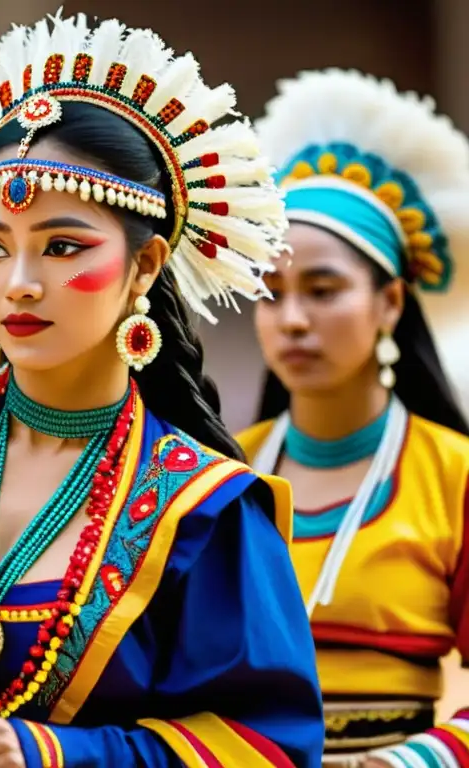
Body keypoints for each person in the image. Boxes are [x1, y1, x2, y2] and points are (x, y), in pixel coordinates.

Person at [0, 12, 324, 768]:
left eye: (63, 247)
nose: (20, 284)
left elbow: (267, 748)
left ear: (146, 264)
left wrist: (57, 755)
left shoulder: (203, 514)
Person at [239, 68, 469, 767]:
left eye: (323, 289)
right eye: (271, 293)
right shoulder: (216, 473)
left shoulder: (453, 475)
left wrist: (417, 760)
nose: (294, 320)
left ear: (391, 303)